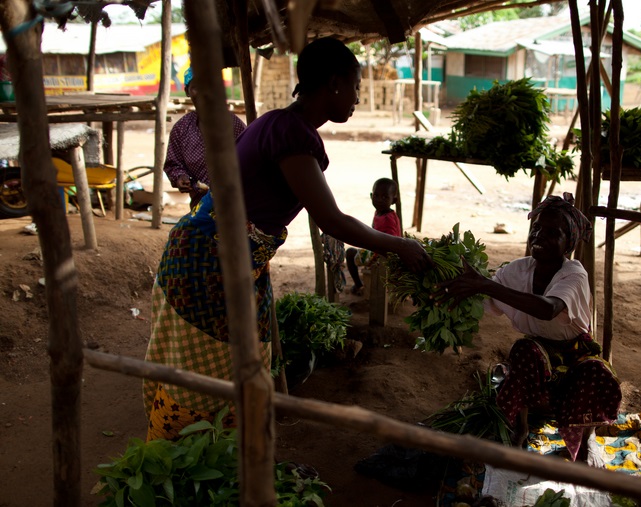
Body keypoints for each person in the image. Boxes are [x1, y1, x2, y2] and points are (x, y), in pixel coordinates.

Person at [144, 37, 431, 441]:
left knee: (232, 371)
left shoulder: (278, 124)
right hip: (209, 266)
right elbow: (331, 220)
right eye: (355, 86)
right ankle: (184, 473)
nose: (357, 97)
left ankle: (222, 469)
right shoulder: (290, 132)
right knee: (209, 378)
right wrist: (401, 245)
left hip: (219, 259)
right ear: (333, 84)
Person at [433, 193, 621, 460]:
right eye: (536, 229)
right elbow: (484, 298)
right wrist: (448, 285)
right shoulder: (517, 271)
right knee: (523, 349)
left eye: (552, 232)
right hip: (538, 351)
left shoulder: (574, 274)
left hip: (576, 352)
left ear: (568, 243)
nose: (539, 236)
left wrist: (486, 284)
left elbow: (548, 308)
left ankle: (584, 439)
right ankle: (520, 429)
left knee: (595, 372)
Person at [163, 66, 246, 210]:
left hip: (237, 205)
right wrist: (180, 177)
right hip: (201, 206)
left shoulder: (232, 124)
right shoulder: (181, 129)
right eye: (196, 88)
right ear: (187, 92)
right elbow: (173, 164)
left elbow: (250, 158)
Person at [345, 177, 402, 295]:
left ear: (394, 200)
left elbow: (391, 241)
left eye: (385, 197)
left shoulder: (388, 218)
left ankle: (358, 284)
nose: (379, 200)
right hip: (377, 251)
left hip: (383, 256)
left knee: (350, 253)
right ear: (371, 196)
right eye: (376, 196)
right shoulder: (380, 212)